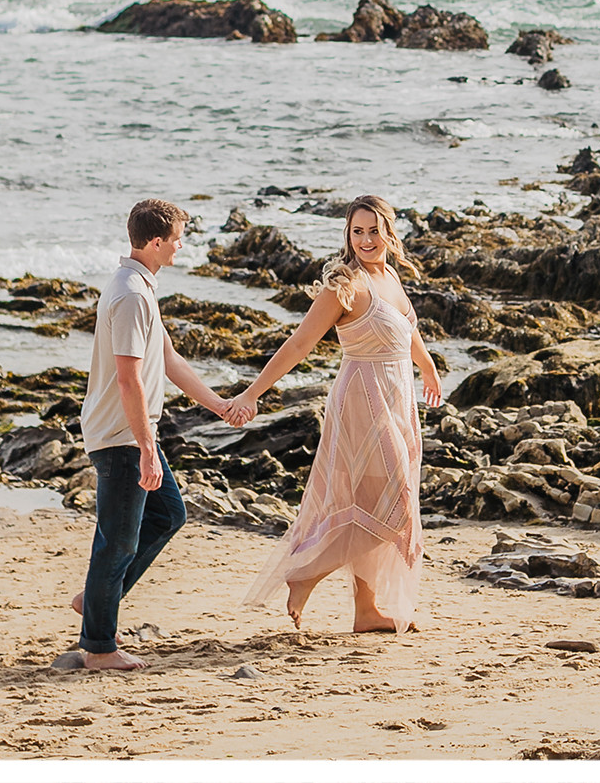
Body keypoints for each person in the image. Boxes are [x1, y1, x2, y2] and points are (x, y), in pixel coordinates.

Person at [230, 194, 443, 634]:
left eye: (373, 230)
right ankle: (306, 572)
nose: (366, 239)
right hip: (362, 399)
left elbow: (408, 330)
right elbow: (298, 344)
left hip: (397, 397)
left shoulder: (390, 277)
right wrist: (252, 392)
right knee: (394, 504)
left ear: (389, 231)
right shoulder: (344, 284)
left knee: (368, 500)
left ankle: (366, 611)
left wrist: (427, 366)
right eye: (357, 231)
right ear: (347, 235)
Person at [72, 198, 244, 671]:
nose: (180, 246)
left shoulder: (141, 289)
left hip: (133, 435)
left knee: (169, 513)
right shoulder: (129, 295)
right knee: (118, 542)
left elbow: (169, 362)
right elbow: (128, 379)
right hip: (122, 436)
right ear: (154, 242)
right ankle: (99, 648)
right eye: (176, 239)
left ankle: (95, 602)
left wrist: (221, 405)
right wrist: (147, 447)